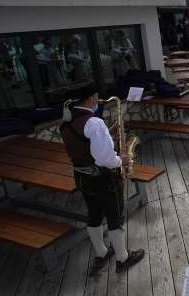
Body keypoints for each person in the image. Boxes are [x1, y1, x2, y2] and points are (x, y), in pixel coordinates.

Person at [59, 84, 144, 275]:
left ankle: (101, 253)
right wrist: (120, 159)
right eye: (97, 96)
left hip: (82, 177)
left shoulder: (66, 121)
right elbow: (105, 159)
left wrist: (109, 132)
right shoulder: (94, 123)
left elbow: (84, 145)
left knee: (94, 214)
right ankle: (123, 258)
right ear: (89, 99)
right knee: (115, 217)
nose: (99, 100)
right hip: (103, 178)